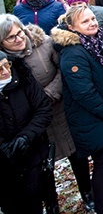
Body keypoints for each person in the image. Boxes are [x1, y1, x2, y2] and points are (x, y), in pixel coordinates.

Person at [52, 6, 103, 214]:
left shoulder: (99, 41)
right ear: (72, 27)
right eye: (85, 22)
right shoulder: (73, 53)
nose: (92, 23)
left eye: (92, 19)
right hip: (93, 117)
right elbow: (83, 92)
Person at [0, 14, 87, 213]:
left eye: (20, 32)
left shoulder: (45, 43)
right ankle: (51, 201)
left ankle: (87, 192)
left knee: (76, 153)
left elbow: (63, 69)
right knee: (43, 166)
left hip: (59, 109)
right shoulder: (6, 65)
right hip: (32, 121)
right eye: (11, 38)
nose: (19, 38)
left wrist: (49, 94)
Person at [0, 50, 52, 214]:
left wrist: (26, 136)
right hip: (4, 165)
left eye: (6, 65)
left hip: (33, 152)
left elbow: (43, 109)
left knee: (36, 198)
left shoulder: (23, 77)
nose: (6, 72)